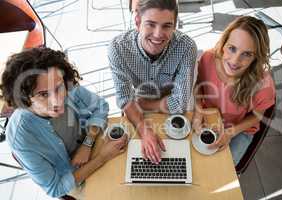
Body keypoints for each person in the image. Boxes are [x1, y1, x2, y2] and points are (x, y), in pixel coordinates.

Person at [0, 47, 127, 198]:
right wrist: (102, 158)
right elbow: (56, 188)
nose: (57, 101)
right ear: (24, 98)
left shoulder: (64, 84)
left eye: (59, 87)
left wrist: (88, 144)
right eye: (43, 94)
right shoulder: (20, 136)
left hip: (94, 143)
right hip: (76, 176)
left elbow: (100, 106)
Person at [108, 0, 197, 164]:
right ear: (137, 22)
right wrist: (145, 130)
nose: (158, 34)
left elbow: (180, 104)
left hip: (164, 106)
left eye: (166, 26)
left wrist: (143, 105)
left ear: (174, 26)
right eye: (151, 24)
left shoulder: (187, 47)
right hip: (143, 105)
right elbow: (124, 99)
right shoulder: (118, 47)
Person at [192, 16, 276, 165]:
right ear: (223, 45)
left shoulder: (264, 85)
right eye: (232, 48)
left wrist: (230, 133)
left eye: (247, 54)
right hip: (209, 116)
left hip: (239, 129)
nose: (235, 61)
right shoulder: (207, 59)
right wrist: (199, 112)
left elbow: (257, 117)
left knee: (221, 169)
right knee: (194, 161)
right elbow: (199, 86)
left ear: (256, 57)